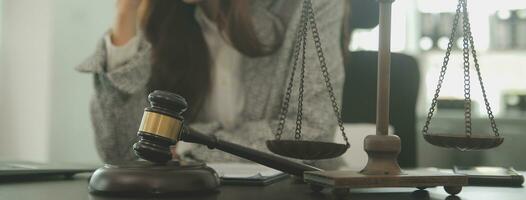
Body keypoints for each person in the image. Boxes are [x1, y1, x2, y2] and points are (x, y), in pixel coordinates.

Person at [77, 0, 345, 169]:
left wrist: (189, 144)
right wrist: (125, 12)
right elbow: (122, 151)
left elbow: (311, 133)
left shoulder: (308, 6)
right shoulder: (162, 17)